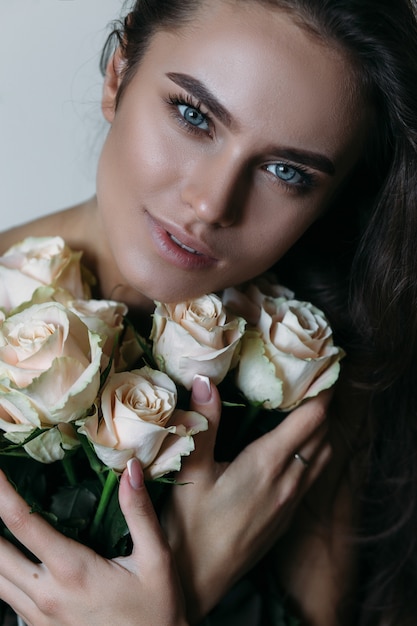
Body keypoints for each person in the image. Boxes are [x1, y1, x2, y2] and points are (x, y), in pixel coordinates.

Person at [1, 0, 417, 624]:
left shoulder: (308, 371)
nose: (212, 203)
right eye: (194, 116)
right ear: (117, 78)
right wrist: (192, 576)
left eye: (286, 171)